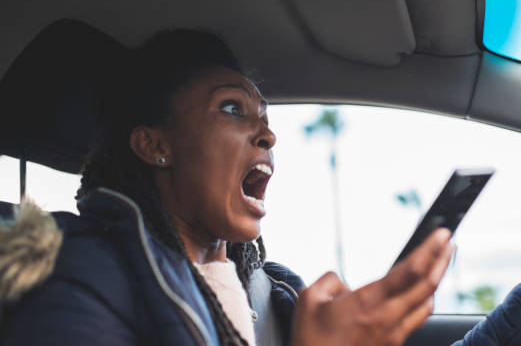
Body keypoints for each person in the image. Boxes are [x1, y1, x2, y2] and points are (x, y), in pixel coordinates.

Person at [0, 26, 454, 346]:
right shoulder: (75, 270)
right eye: (233, 109)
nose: (268, 135)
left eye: (265, 118)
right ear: (154, 145)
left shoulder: (275, 292)